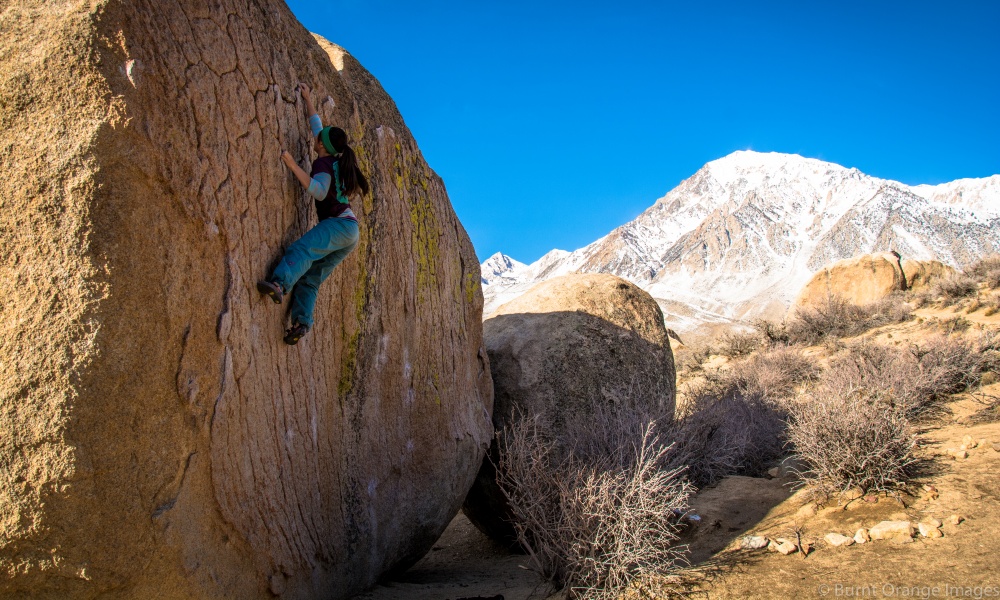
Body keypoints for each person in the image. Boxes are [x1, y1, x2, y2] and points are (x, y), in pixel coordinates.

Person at [257, 83, 369, 345]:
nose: (315, 136)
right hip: (350, 232)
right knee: (311, 278)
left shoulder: (323, 163)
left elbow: (319, 192)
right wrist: (307, 98)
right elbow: (318, 127)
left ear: (322, 145)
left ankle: (279, 284)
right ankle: (301, 323)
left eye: (319, 137)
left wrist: (292, 165)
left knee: (303, 249)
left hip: (338, 226)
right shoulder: (332, 156)